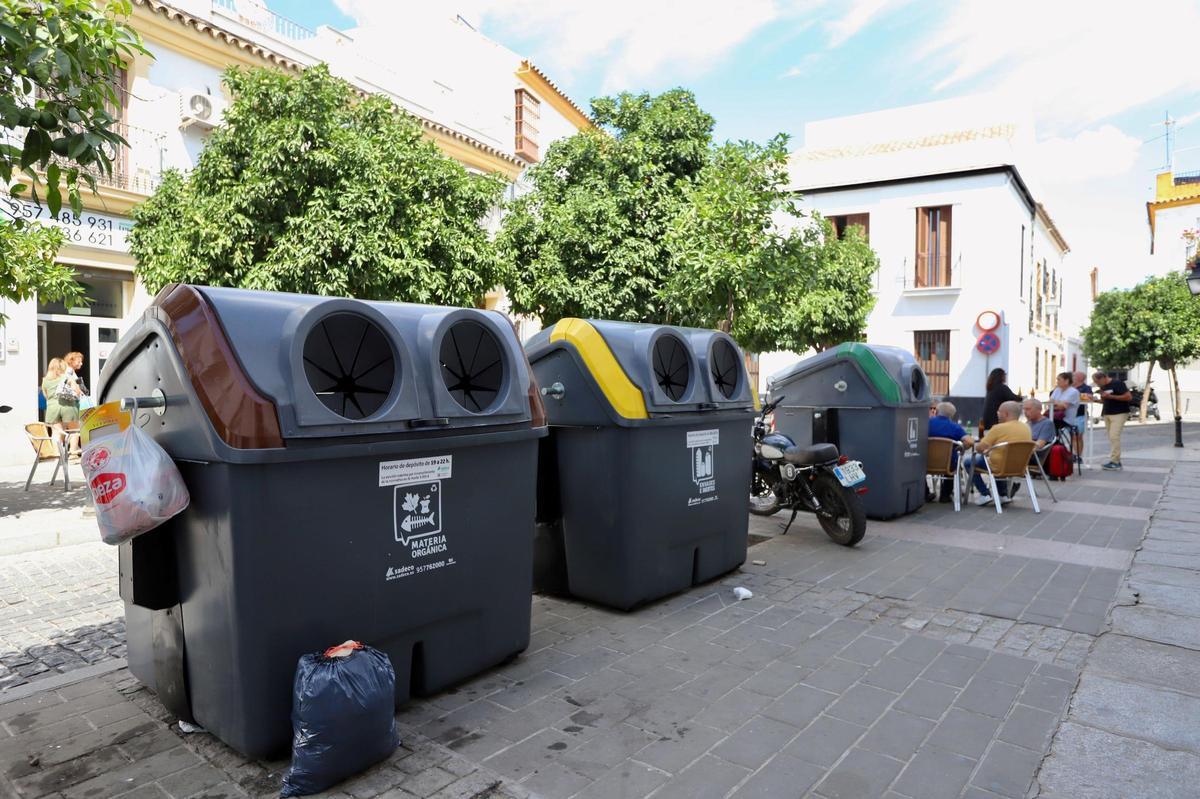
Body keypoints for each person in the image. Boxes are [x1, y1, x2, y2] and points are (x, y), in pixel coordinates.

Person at [971, 400, 1032, 505]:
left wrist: (986, 450)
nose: (997, 414)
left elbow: (980, 448)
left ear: (1006, 414)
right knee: (999, 459)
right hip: (1020, 467)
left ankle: (985, 494)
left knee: (969, 461)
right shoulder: (1026, 428)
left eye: (999, 411)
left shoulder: (998, 428)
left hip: (999, 466)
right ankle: (1002, 495)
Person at [928, 401, 975, 502]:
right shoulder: (954, 427)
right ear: (952, 415)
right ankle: (945, 495)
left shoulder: (926, 423)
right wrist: (962, 448)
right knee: (954, 462)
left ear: (936, 411)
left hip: (926, 463)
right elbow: (970, 442)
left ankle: (925, 493)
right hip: (947, 464)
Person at [1092, 371, 1132, 470]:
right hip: (1107, 413)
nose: (1097, 384)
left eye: (1097, 382)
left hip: (1119, 413)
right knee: (1111, 437)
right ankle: (1115, 460)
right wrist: (1094, 400)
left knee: (1114, 436)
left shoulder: (1117, 383)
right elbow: (1104, 400)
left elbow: (1128, 397)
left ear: (1103, 378)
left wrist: (1111, 396)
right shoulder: (1103, 387)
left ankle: (1115, 462)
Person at [981, 368, 1021, 435]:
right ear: (1001, 376)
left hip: (987, 421)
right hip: (996, 420)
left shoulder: (991, 387)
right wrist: (1021, 397)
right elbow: (1013, 398)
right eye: (1004, 375)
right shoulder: (1002, 387)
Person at [1048, 372, 1080, 441]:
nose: (1057, 382)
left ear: (1066, 381)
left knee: (1048, 424)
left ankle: (1052, 443)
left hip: (1065, 419)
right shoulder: (1057, 390)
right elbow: (1050, 403)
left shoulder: (1073, 392)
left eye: (1059, 380)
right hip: (1054, 416)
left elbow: (1062, 407)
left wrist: (1056, 403)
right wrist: (1058, 403)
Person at [41, 358, 72, 425]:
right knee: (71, 430)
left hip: (52, 408)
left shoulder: (45, 380)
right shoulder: (66, 378)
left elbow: (46, 396)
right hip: (67, 407)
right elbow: (76, 391)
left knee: (56, 430)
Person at [1070, 371, 1092, 464]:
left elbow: (1089, 397)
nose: (1071, 377)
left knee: (1078, 436)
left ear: (1079, 378)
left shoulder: (1086, 388)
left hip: (1080, 415)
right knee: (1072, 436)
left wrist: (1075, 395)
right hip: (1069, 415)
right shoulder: (1068, 387)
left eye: (1073, 376)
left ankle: (1078, 456)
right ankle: (1073, 454)